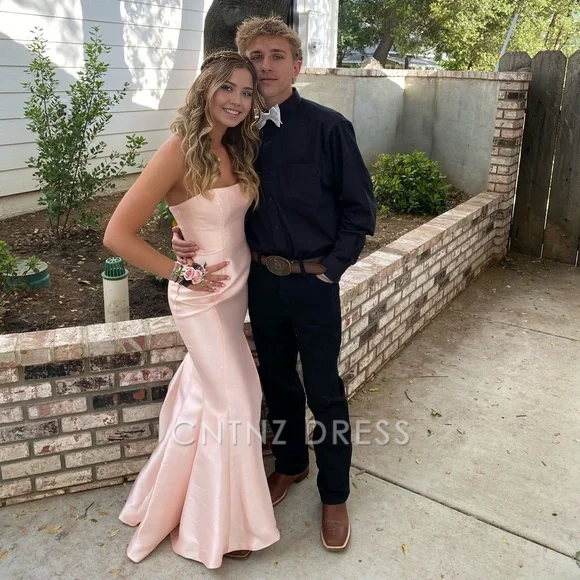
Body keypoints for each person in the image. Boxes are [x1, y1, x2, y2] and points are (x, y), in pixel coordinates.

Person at [172, 17, 376, 552]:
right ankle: (290, 464)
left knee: (324, 389)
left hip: (313, 283)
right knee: (279, 383)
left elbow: (360, 211)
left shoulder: (330, 128)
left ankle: (335, 493)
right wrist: (184, 231)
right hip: (260, 282)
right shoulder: (237, 136)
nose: (265, 66)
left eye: (276, 56)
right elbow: (208, 195)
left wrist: (331, 268)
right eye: (255, 57)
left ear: (296, 65)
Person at [103, 50, 280, 569]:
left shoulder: (235, 147)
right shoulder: (178, 150)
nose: (238, 100)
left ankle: (179, 502)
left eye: (246, 92)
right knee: (239, 399)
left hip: (236, 289)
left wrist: (180, 229)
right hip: (200, 297)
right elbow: (117, 234)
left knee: (207, 399)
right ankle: (223, 527)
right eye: (228, 88)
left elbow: (211, 216)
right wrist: (181, 271)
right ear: (205, 89)